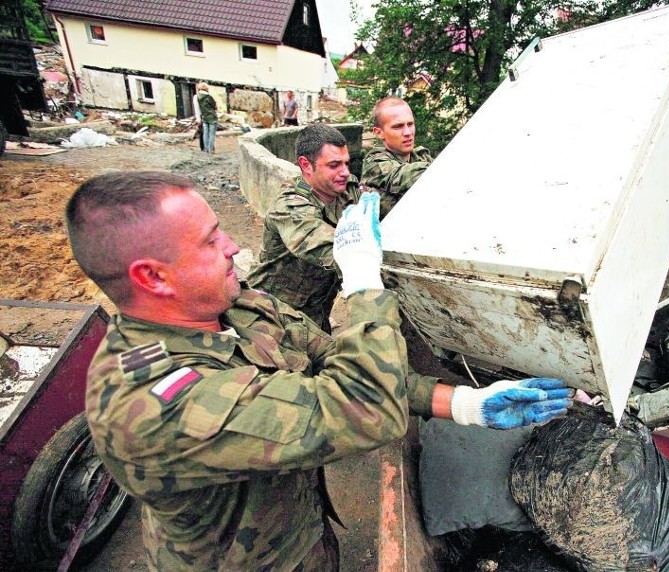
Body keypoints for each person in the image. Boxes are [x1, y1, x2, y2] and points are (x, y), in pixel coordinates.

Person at [65, 170, 573, 571]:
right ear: (153, 277)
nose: (233, 247)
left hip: (300, 536)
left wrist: (464, 403)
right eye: (209, 240)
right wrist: (361, 281)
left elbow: (332, 362)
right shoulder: (154, 402)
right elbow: (358, 406)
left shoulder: (238, 306)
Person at [247, 123, 365, 332]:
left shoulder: (347, 189)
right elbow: (333, 248)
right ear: (306, 165)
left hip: (315, 312)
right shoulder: (290, 207)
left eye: (347, 163)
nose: (345, 172)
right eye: (334, 165)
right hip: (271, 315)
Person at [361, 96, 434, 215]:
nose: (408, 133)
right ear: (379, 133)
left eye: (410, 124)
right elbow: (404, 176)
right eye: (398, 126)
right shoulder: (375, 162)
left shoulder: (422, 157)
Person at [195, 82, 218, 154]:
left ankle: (205, 149)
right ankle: (211, 150)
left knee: (205, 134)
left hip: (204, 117)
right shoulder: (209, 97)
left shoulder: (197, 97)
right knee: (211, 135)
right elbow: (215, 107)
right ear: (206, 88)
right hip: (212, 118)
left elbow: (197, 108)